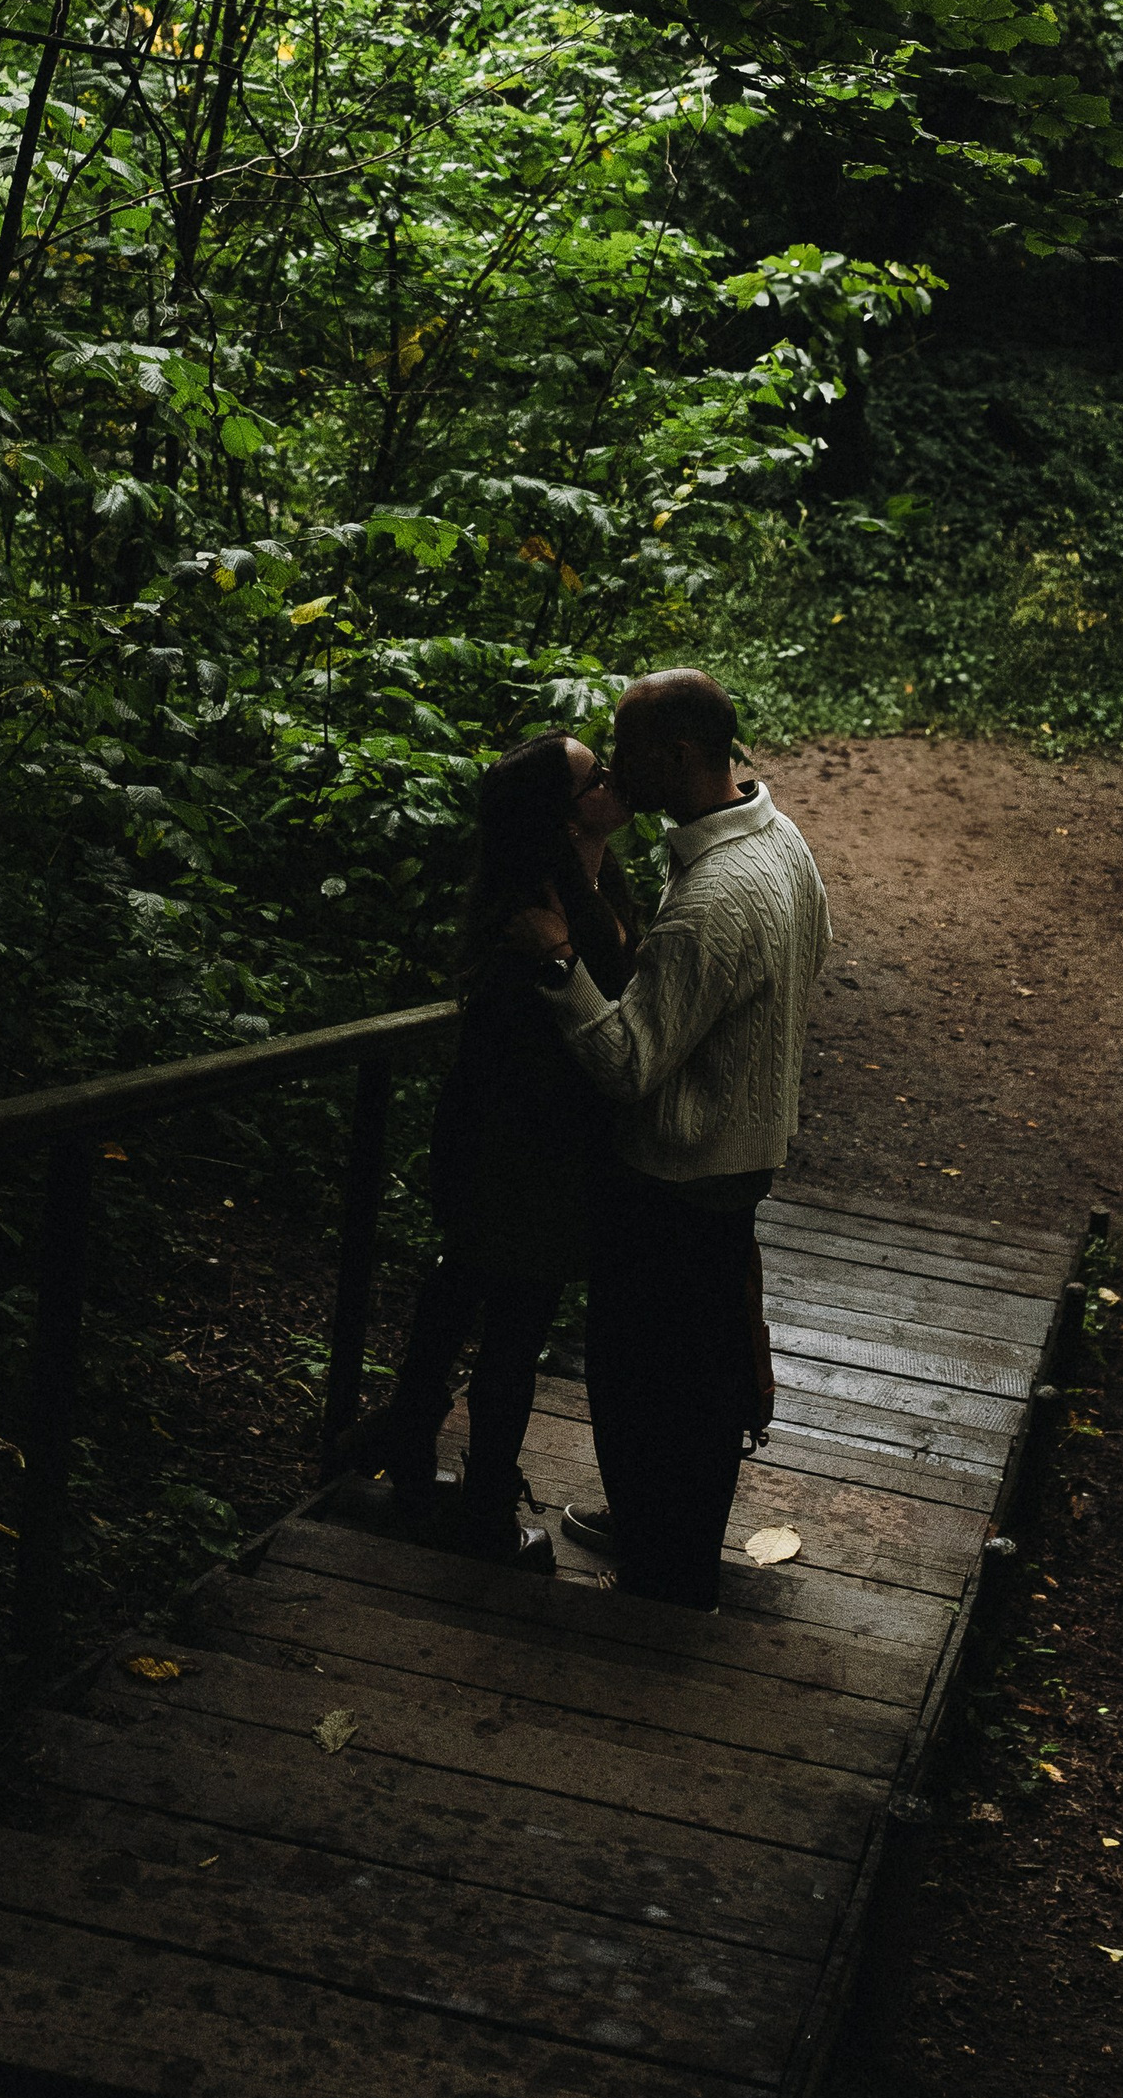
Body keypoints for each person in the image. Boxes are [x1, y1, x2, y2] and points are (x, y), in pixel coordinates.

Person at [519, 669, 831, 1611]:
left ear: (681, 754)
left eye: (628, 747)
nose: (615, 766)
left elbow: (627, 1060)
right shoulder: (779, 840)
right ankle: (659, 1527)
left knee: (646, 1376)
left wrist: (559, 964)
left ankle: (667, 1570)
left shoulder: (713, 898)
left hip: (678, 1170)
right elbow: (811, 950)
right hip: (737, 1156)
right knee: (696, 1365)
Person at [338, 732, 635, 1570]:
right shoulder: (532, 909)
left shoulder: (595, 879)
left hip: (542, 1140)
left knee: (477, 1287)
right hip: (518, 1140)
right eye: (596, 776)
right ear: (563, 815)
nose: (614, 779)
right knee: (512, 1316)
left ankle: (410, 1437)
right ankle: (483, 1509)